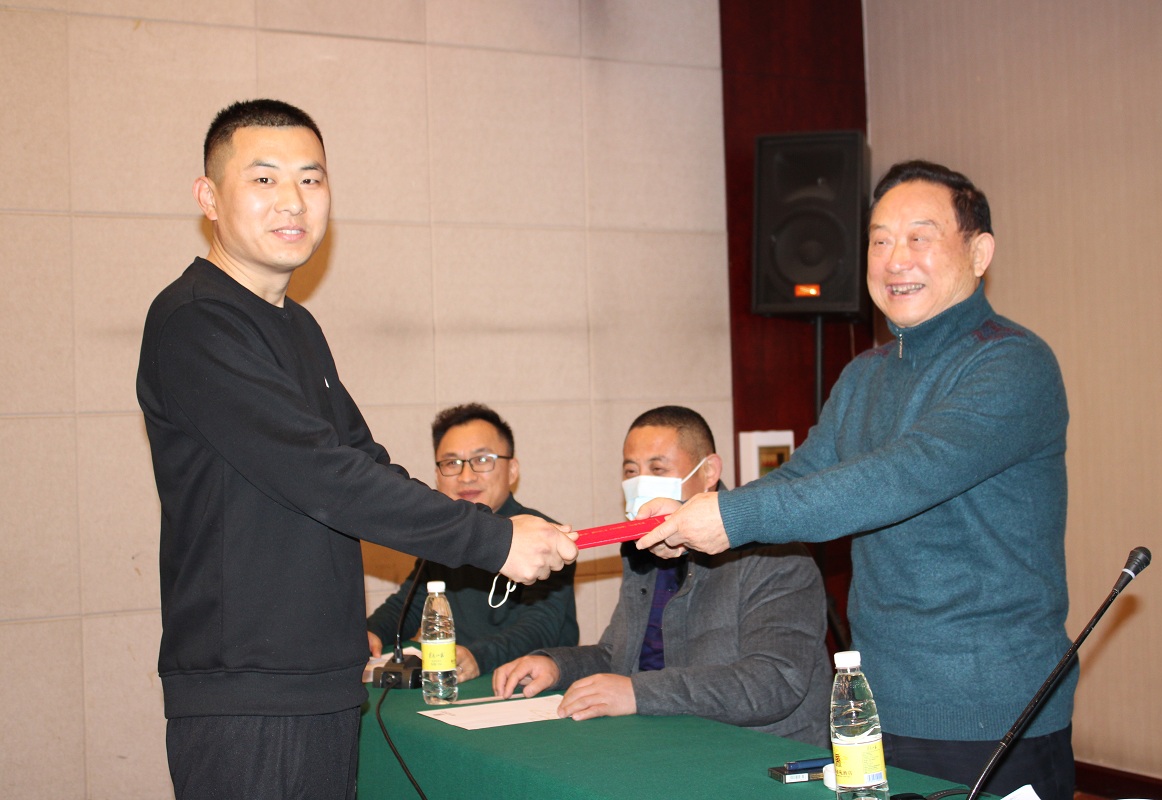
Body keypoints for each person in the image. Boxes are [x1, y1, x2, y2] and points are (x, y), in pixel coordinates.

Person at [136, 99, 576, 800]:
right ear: (208, 198)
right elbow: (323, 474)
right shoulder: (196, 321)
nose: (293, 200)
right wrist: (492, 540)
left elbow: (364, 462)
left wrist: (502, 529)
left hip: (323, 680)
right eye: (264, 179)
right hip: (250, 689)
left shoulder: (297, 326)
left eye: (311, 179)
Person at [638, 162, 1075, 799]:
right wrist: (696, 515)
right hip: (875, 706)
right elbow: (807, 476)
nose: (895, 259)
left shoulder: (1013, 362)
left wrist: (729, 519)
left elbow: (901, 476)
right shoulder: (864, 374)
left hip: (993, 709)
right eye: (879, 240)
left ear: (979, 253)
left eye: (920, 237)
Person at [493, 406, 830, 745]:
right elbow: (619, 655)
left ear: (709, 471)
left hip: (763, 752)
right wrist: (557, 666)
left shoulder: (774, 555)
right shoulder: (645, 550)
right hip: (670, 740)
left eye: (657, 469)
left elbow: (773, 683)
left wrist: (638, 693)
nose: (641, 483)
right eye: (631, 470)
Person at [366, 403, 578, 680]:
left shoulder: (545, 537)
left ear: (512, 470)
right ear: (437, 476)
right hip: (460, 682)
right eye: (452, 463)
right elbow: (409, 604)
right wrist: (371, 632)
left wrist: (479, 656)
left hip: (533, 686)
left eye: (482, 460)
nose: (466, 477)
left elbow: (541, 627)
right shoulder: (445, 535)